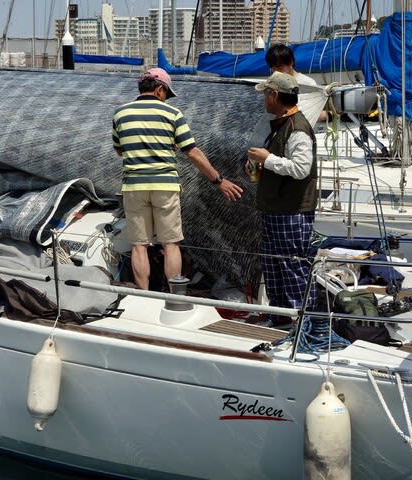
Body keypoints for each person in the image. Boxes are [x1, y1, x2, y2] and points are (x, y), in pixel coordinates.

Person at [112, 67, 243, 290]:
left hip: (134, 186)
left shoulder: (120, 113)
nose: (166, 98)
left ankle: (143, 297)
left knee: (139, 246)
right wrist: (219, 180)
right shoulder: (172, 114)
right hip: (165, 185)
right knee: (170, 244)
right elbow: (193, 152)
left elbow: (120, 151)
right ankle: (174, 296)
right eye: (166, 94)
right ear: (159, 90)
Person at [246, 72, 317, 327]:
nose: (263, 99)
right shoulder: (281, 124)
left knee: (292, 266)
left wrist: (267, 159)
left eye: (265, 94)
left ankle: (302, 323)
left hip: (291, 210)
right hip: (276, 208)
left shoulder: (297, 128)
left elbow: (301, 168)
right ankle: (279, 317)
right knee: (274, 265)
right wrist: (260, 164)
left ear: (274, 95)